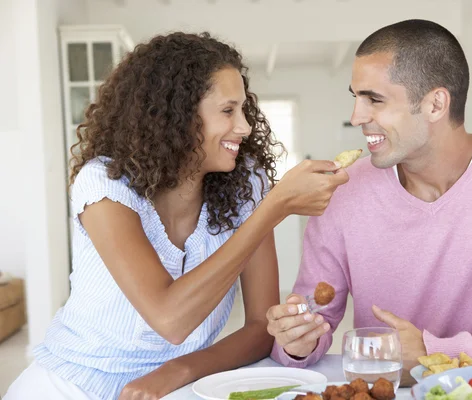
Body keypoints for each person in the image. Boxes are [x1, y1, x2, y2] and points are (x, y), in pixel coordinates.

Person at [5, 32, 348, 400]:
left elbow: (261, 326)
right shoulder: (105, 185)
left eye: (244, 109)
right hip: (69, 385)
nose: (245, 126)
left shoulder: (245, 184)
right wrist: (274, 209)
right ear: (177, 116)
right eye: (228, 110)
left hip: (178, 388)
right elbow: (170, 319)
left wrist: (177, 371)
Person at [266, 19, 472, 384]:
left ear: (436, 103)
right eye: (355, 97)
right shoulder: (343, 189)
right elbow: (313, 322)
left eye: (374, 99)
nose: (356, 117)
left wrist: (433, 352)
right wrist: (296, 340)